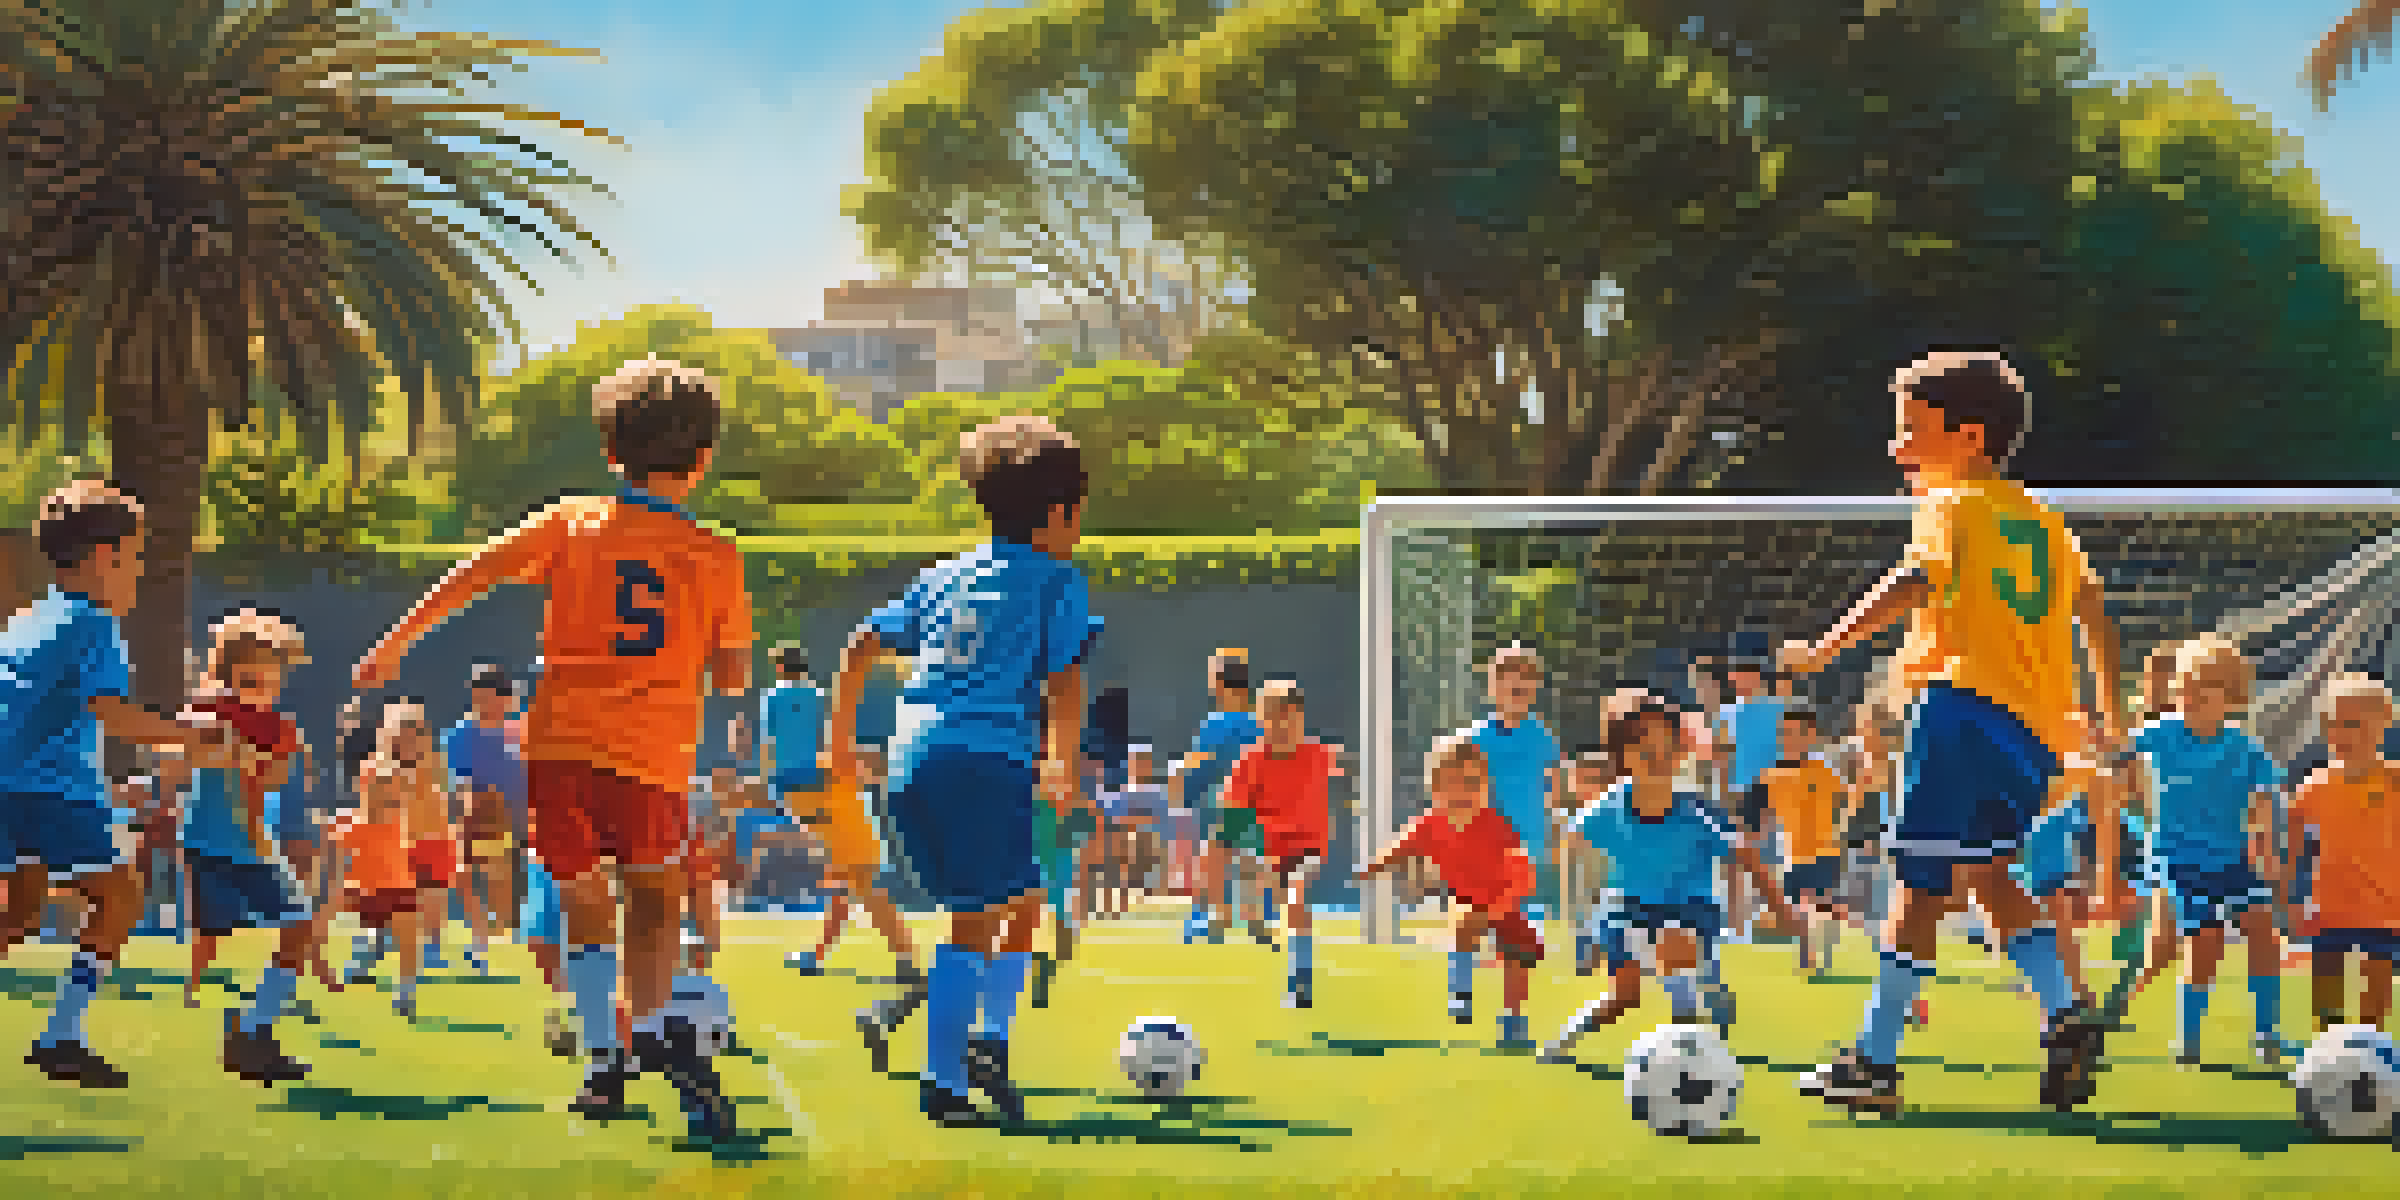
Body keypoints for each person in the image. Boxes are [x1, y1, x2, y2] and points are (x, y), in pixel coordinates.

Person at [351, 354, 753, 1138]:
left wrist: (393, 644)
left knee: (583, 900)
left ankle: (603, 1060)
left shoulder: (569, 523)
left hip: (561, 747)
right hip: (652, 754)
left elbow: (471, 576)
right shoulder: (716, 554)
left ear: (611, 452)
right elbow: (733, 676)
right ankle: (650, 1034)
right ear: (704, 460)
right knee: (654, 901)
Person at [1784, 350, 2125, 1115]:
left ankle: (1874, 1061)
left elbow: (1913, 582)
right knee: (1990, 875)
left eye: (1912, 429)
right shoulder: (2046, 523)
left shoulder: (1952, 504)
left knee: (1919, 883)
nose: (1898, 446)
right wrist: (2111, 713)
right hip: (2032, 736)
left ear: (1969, 438)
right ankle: (2066, 1011)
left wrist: (1827, 646)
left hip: (1960, 710)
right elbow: (2096, 611)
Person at [825, 414, 1101, 1128]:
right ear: (1057, 514)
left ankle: (988, 1042)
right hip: (985, 758)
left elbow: (861, 643)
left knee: (1023, 897)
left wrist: (839, 743)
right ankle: (944, 1081)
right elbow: (1065, 679)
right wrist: (1062, 762)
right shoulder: (1057, 582)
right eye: (1078, 513)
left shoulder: (944, 576)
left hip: (913, 759)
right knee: (975, 922)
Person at [1, 479, 228, 1088]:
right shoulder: (95, 623)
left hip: (10, 788)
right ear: (104, 557)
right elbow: (114, 715)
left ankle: (61, 1038)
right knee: (122, 896)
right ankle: (62, 1038)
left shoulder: (28, 619)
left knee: (17, 916)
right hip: (51, 792)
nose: (138, 573)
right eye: (134, 557)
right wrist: (191, 738)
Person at [1544, 695, 1794, 1062]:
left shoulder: (1694, 812)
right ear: (1623, 756)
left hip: (1690, 906)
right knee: (1624, 997)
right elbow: (1570, 844)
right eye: (1643, 745)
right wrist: (1582, 926)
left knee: (1673, 943)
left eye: (1665, 746)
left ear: (1679, 755)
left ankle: (1687, 1047)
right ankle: (1565, 1040)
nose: (1656, 754)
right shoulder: (1607, 807)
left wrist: (1781, 909)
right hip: (1628, 907)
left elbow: (1745, 854)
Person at [2107, 637, 2291, 1064]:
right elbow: (2117, 756)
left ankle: (2267, 1034)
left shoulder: (2245, 748)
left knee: (2264, 933)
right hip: (2179, 859)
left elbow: (2265, 796)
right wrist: (2106, 753)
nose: (2188, 699)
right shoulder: (2161, 734)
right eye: (2182, 689)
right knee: (2205, 941)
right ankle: (2188, 1039)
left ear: (2232, 699)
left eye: (2201, 692)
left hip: (2234, 859)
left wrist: (2265, 847)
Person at [175, 609, 318, 1083]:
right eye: (251, 676)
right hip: (209, 844)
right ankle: (228, 1019)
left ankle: (254, 1029)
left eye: (272, 677)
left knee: (300, 926)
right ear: (227, 671)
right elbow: (188, 746)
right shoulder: (207, 707)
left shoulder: (281, 726)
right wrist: (228, 745)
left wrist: (248, 753)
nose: (262, 685)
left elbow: (272, 778)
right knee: (210, 934)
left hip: (255, 847)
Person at [1357, 736, 1543, 1049]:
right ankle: (1461, 992)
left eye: (1471, 784)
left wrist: (1516, 888)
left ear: (1485, 788)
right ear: (1435, 788)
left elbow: (1519, 865)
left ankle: (1513, 1019)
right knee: (1464, 922)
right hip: (1469, 899)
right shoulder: (1431, 823)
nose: (1462, 793)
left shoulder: (1496, 826)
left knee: (1517, 959)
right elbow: (1403, 846)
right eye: (1452, 784)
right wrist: (1373, 867)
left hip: (1505, 900)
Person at [1220, 680, 1345, 1008]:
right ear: (1261, 721)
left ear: (1300, 719)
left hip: (1307, 846)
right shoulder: (1250, 761)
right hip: (1267, 846)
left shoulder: (1320, 755)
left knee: (1296, 895)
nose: (1279, 726)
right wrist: (1239, 851)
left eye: (1286, 717)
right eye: (1271, 718)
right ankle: (1236, 913)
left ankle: (1300, 983)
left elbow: (1343, 777)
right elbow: (1233, 816)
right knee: (1240, 867)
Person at [2290, 675, 2400, 1031]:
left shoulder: (2395, 780)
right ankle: (2328, 1046)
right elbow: (2292, 840)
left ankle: (2371, 1046)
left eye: (2353, 724)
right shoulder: (2315, 784)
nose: (2341, 734)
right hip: (2329, 904)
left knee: (2377, 978)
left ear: (2383, 724)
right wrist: (2291, 895)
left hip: (2385, 907)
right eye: (2333, 724)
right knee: (2326, 980)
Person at [1749, 706, 1857, 976]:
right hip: (1792, 856)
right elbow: (1758, 815)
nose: (1793, 740)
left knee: (1815, 905)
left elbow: (1849, 800)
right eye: (1788, 734)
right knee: (1803, 907)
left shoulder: (1826, 772)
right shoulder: (1770, 777)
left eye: (1800, 734)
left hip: (1827, 853)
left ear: (1812, 737)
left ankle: (1817, 955)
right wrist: (1756, 839)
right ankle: (1810, 956)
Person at [1465, 644, 1564, 940]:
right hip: (1488, 841)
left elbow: (1554, 787)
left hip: (1531, 841)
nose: (1516, 682)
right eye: (1507, 676)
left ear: (1534, 687)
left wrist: (1555, 831)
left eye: (1525, 676)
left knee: (1520, 916)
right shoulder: (1476, 737)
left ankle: (1516, 947)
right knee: (1480, 915)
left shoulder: (1543, 736)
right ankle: (1467, 959)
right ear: (1493, 687)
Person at [445, 662, 527, 978]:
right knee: (465, 878)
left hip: (517, 819)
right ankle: (481, 943)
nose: (482, 702)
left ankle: (498, 938)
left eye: (489, 695)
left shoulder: (518, 731)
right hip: (474, 817)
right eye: (477, 695)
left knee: (501, 889)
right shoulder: (460, 734)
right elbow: (453, 781)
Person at [1178, 651, 1262, 945]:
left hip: (1224, 806)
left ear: (1219, 683)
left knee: (1211, 862)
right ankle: (1257, 919)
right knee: (1251, 863)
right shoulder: (1261, 724)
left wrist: (1185, 793)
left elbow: (1201, 767)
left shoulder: (1215, 724)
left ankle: (1213, 919)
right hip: (1258, 806)